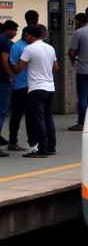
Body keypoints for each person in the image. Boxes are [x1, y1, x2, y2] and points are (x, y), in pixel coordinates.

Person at [13, 24, 58, 158]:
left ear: (30, 35)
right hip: (50, 88)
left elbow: (18, 69)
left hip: (36, 88)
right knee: (48, 117)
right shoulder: (50, 48)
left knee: (38, 119)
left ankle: (42, 149)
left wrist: (13, 66)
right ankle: (51, 147)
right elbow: (56, 67)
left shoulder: (29, 49)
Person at [8, 27, 33, 151]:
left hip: (30, 85)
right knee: (17, 115)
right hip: (20, 85)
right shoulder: (17, 47)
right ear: (27, 35)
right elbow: (12, 64)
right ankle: (13, 141)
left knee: (28, 115)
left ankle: (31, 142)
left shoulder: (30, 46)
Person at [0, 20, 19, 153]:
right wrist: (10, 75)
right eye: (14, 30)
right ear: (8, 30)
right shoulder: (5, 42)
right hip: (2, 81)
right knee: (1, 112)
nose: (15, 33)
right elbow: (4, 61)